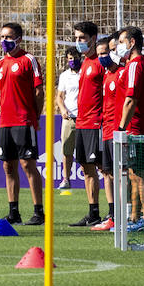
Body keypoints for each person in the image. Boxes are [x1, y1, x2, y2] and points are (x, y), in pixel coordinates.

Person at [0, 22, 45, 226]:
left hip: (24, 120)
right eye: (2, 37)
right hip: (5, 122)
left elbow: (38, 91)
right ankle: (13, 212)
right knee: (8, 166)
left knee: (28, 164)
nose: (4, 41)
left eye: (8, 37)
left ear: (18, 39)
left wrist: (35, 115)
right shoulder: (1, 63)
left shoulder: (28, 59)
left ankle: (38, 212)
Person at [116, 26, 144, 233]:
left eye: (122, 42)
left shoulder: (136, 65)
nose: (119, 47)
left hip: (135, 128)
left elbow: (131, 99)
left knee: (140, 174)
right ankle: (135, 217)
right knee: (134, 174)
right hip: (138, 127)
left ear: (132, 43)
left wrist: (122, 127)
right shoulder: (141, 65)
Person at [68, 21, 105, 228]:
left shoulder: (100, 62)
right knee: (85, 167)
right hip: (82, 122)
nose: (78, 42)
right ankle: (93, 213)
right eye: (76, 38)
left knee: (104, 168)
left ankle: (115, 212)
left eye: (82, 38)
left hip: (95, 122)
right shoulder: (85, 63)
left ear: (93, 38)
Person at [92, 34, 123, 232]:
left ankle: (125, 215)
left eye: (105, 53)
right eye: (99, 54)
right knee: (107, 173)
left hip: (118, 132)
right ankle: (112, 215)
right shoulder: (106, 75)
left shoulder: (121, 73)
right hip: (106, 130)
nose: (102, 57)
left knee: (121, 175)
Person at [56, 45, 82, 194]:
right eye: (70, 59)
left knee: (85, 153)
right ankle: (66, 179)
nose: (73, 61)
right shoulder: (65, 76)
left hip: (85, 118)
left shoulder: (85, 72)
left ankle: (87, 178)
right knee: (67, 150)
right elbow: (59, 96)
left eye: (75, 58)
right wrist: (63, 109)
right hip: (69, 118)